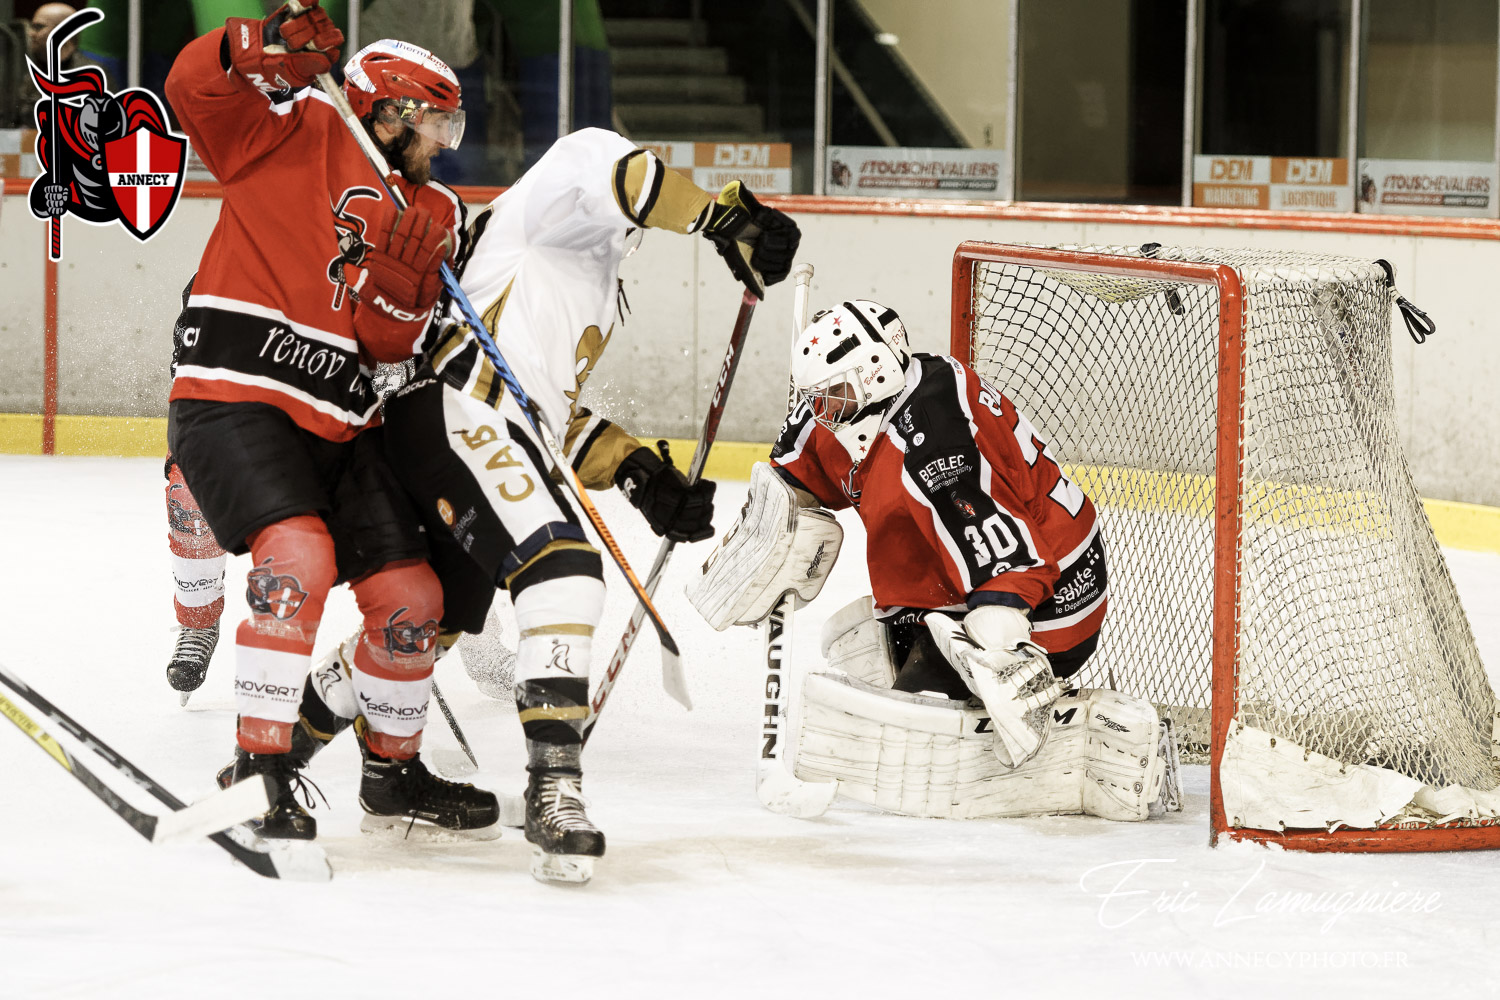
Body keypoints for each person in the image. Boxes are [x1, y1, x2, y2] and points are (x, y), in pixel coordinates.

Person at [286, 127, 800, 882]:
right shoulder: (563, 183)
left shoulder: (589, 273)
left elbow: (546, 416)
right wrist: (731, 217)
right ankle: (555, 789)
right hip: (458, 411)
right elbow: (634, 178)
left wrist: (638, 474)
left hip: (473, 425)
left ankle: (276, 763)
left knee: (421, 628)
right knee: (563, 571)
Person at [163, 2, 494, 840]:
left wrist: (398, 306)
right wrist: (256, 46)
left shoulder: (436, 212)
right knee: (298, 558)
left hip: (344, 426)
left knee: (413, 597)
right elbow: (192, 89)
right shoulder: (292, 125)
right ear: (389, 113)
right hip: (234, 399)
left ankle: (393, 772)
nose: (443, 144)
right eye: (435, 124)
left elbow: (389, 352)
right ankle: (260, 769)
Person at [688, 299, 1178, 821]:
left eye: (833, 395)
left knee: (916, 718)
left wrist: (1001, 653)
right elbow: (802, 463)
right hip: (966, 573)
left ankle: (1056, 718)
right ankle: (962, 671)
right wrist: (775, 519)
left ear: (875, 372)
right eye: (815, 397)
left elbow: (1012, 561)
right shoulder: (856, 408)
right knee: (858, 642)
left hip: (1057, 594)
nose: (821, 410)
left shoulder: (936, 445)